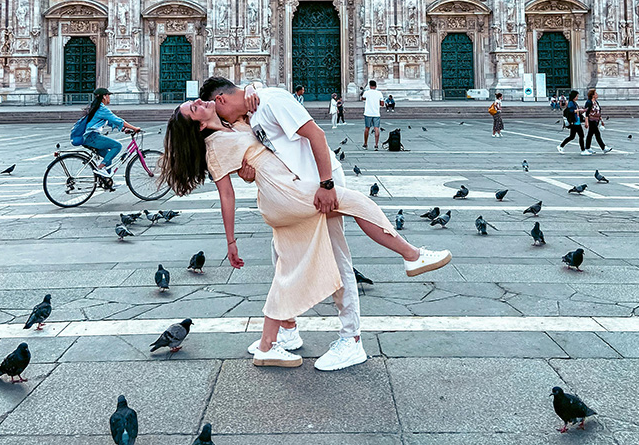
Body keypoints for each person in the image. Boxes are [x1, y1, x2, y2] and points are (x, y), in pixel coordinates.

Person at [161, 78, 451, 372]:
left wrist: (251, 88)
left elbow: (263, 134)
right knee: (354, 216)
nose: (202, 104)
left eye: (200, 101)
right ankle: (407, 263)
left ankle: (280, 335)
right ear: (202, 122)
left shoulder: (244, 117)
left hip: (304, 183)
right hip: (291, 193)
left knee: (285, 264)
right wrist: (231, 239)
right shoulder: (221, 137)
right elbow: (228, 191)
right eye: (195, 107)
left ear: (221, 100)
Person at [82, 88, 141, 177]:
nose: (109, 98)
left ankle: (108, 181)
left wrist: (123, 129)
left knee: (108, 156)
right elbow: (118, 120)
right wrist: (134, 128)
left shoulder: (96, 108)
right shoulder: (101, 109)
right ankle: (101, 168)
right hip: (91, 137)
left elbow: (109, 122)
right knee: (117, 146)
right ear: (104, 97)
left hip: (89, 137)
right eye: (108, 95)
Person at [557, 90, 589, 155]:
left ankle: (561, 146)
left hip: (576, 121)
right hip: (575, 122)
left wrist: (581, 111)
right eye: (577, 96)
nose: (577, 97)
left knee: (572, 136)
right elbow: (571, 111)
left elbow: (575, 111)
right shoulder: (571, 103)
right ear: (574, 96)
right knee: (581, 135)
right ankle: (583, 150)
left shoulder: (574, 103)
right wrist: (579, 110)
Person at [584, 89, 612, 154]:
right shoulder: (589, 102)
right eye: (595, 94)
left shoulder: (596, 102)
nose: (597, 95)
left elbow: (598, 111)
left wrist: (601, 120)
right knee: (597, 134)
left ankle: (587, 148)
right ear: (593, 95)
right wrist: (586, 121)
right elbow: (586, 112)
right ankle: (603, 147)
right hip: (591, 120)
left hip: (596, 120)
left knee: (590, 134)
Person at [361, 80, 384, 150]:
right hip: (376, 113)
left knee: (367, 128)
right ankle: (376, 145)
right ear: (376, 86)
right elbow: (382, 104)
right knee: (376, 128)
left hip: (368, 113)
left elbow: (362, 98)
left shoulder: (367, 92)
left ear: (369, 85)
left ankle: (365, 144)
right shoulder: (379, 93)